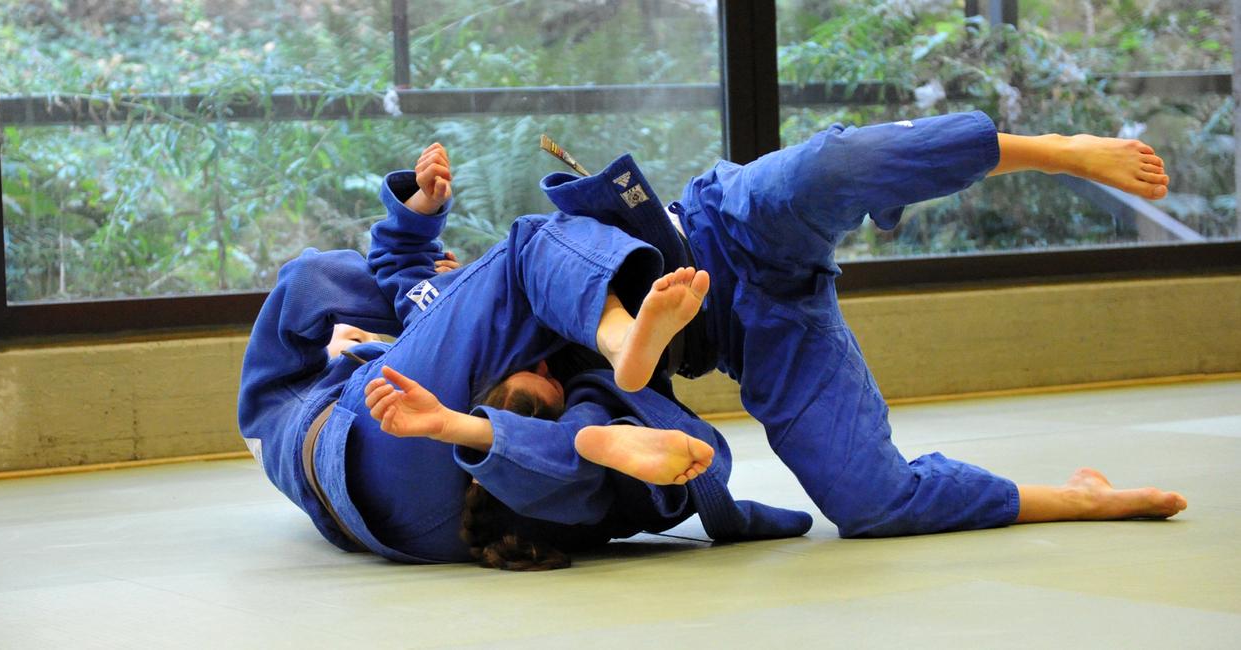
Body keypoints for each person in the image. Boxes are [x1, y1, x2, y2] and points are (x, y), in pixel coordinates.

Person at [368, 111, 1186, 549]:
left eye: (521, 387)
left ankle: (1058, 150)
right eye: (537, 396)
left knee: (836, 168)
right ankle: (1076, 498)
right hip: (753, 328)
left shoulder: (449, 314)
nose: (540, 379)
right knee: (869, 506)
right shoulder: (569, 406)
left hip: (724, 227)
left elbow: (404, 276)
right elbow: (573, 449)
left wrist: (420, 210)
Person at [238, 142, 715, 563]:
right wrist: (443, 293)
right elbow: (312, 279)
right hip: (399, 449)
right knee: (530, 245)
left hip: (474, 525)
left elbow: (379, 275)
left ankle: (572, 433)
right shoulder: (294, 408)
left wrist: (423, 214)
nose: (355, 338)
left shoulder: (304, 404)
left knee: (644, 424)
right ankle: (614, 342)